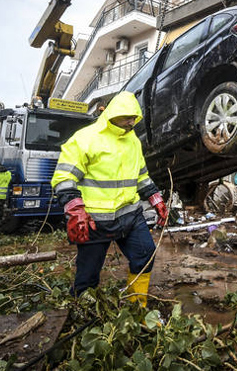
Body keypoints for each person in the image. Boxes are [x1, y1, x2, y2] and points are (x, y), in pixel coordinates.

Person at [51, 91, 168, 305]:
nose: (131, 122)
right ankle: (83, 311)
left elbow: (141, 175)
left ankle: (137, 308)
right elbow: (64, 178)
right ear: (113, 114)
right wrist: (76, 210)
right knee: (88, 276)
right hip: (94, 221)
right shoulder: (85, 139)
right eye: (127, 117)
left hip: (130, 216)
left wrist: (156, 198)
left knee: (145, 255)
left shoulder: (133, 141)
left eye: (134, 118)